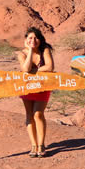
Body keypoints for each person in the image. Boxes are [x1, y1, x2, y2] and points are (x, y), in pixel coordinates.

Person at [17, 26, 54, 158]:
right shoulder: (22, 54)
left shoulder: (45, 50)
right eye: (30, 38)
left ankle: (41, 144)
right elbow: (26, 68)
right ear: (26, 40)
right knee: (29, 114)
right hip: (26, 87)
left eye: (36, 37)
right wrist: (31, 51)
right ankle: (34, 145)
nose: (33, 40)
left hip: (43, 86)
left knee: (38, 114)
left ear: (40, 39)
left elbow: (50, 67)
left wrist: (35, 71)